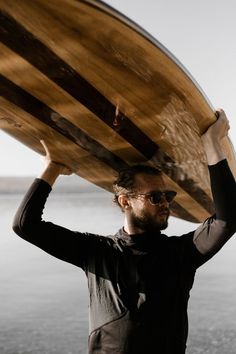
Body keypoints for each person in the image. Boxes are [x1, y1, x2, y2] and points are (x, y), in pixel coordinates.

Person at [13, 109, 236, 354]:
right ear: (124, 202)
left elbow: (227, 221)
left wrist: (212, 143)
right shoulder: (97, 252)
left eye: (167, 195)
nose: (165, 202)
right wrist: (52, 168)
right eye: (154, 196)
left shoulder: (181, 253)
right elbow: (25, 225)